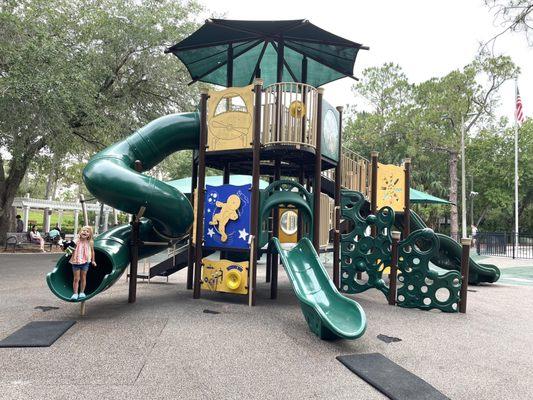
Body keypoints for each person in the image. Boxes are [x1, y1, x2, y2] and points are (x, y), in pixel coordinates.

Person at [69, 225, 97, 300]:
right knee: (76, 279)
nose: (85, 232)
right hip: (76, 262)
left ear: (89, 235)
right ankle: (75, 293)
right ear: (80, 232)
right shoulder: (76, 241)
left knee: (83, 278)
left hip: (85, 262)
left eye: (87, 231)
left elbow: (92, 251)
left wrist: (93, 260)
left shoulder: (90, 242)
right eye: (83, 230)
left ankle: (82, 292)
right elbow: (70, 248)